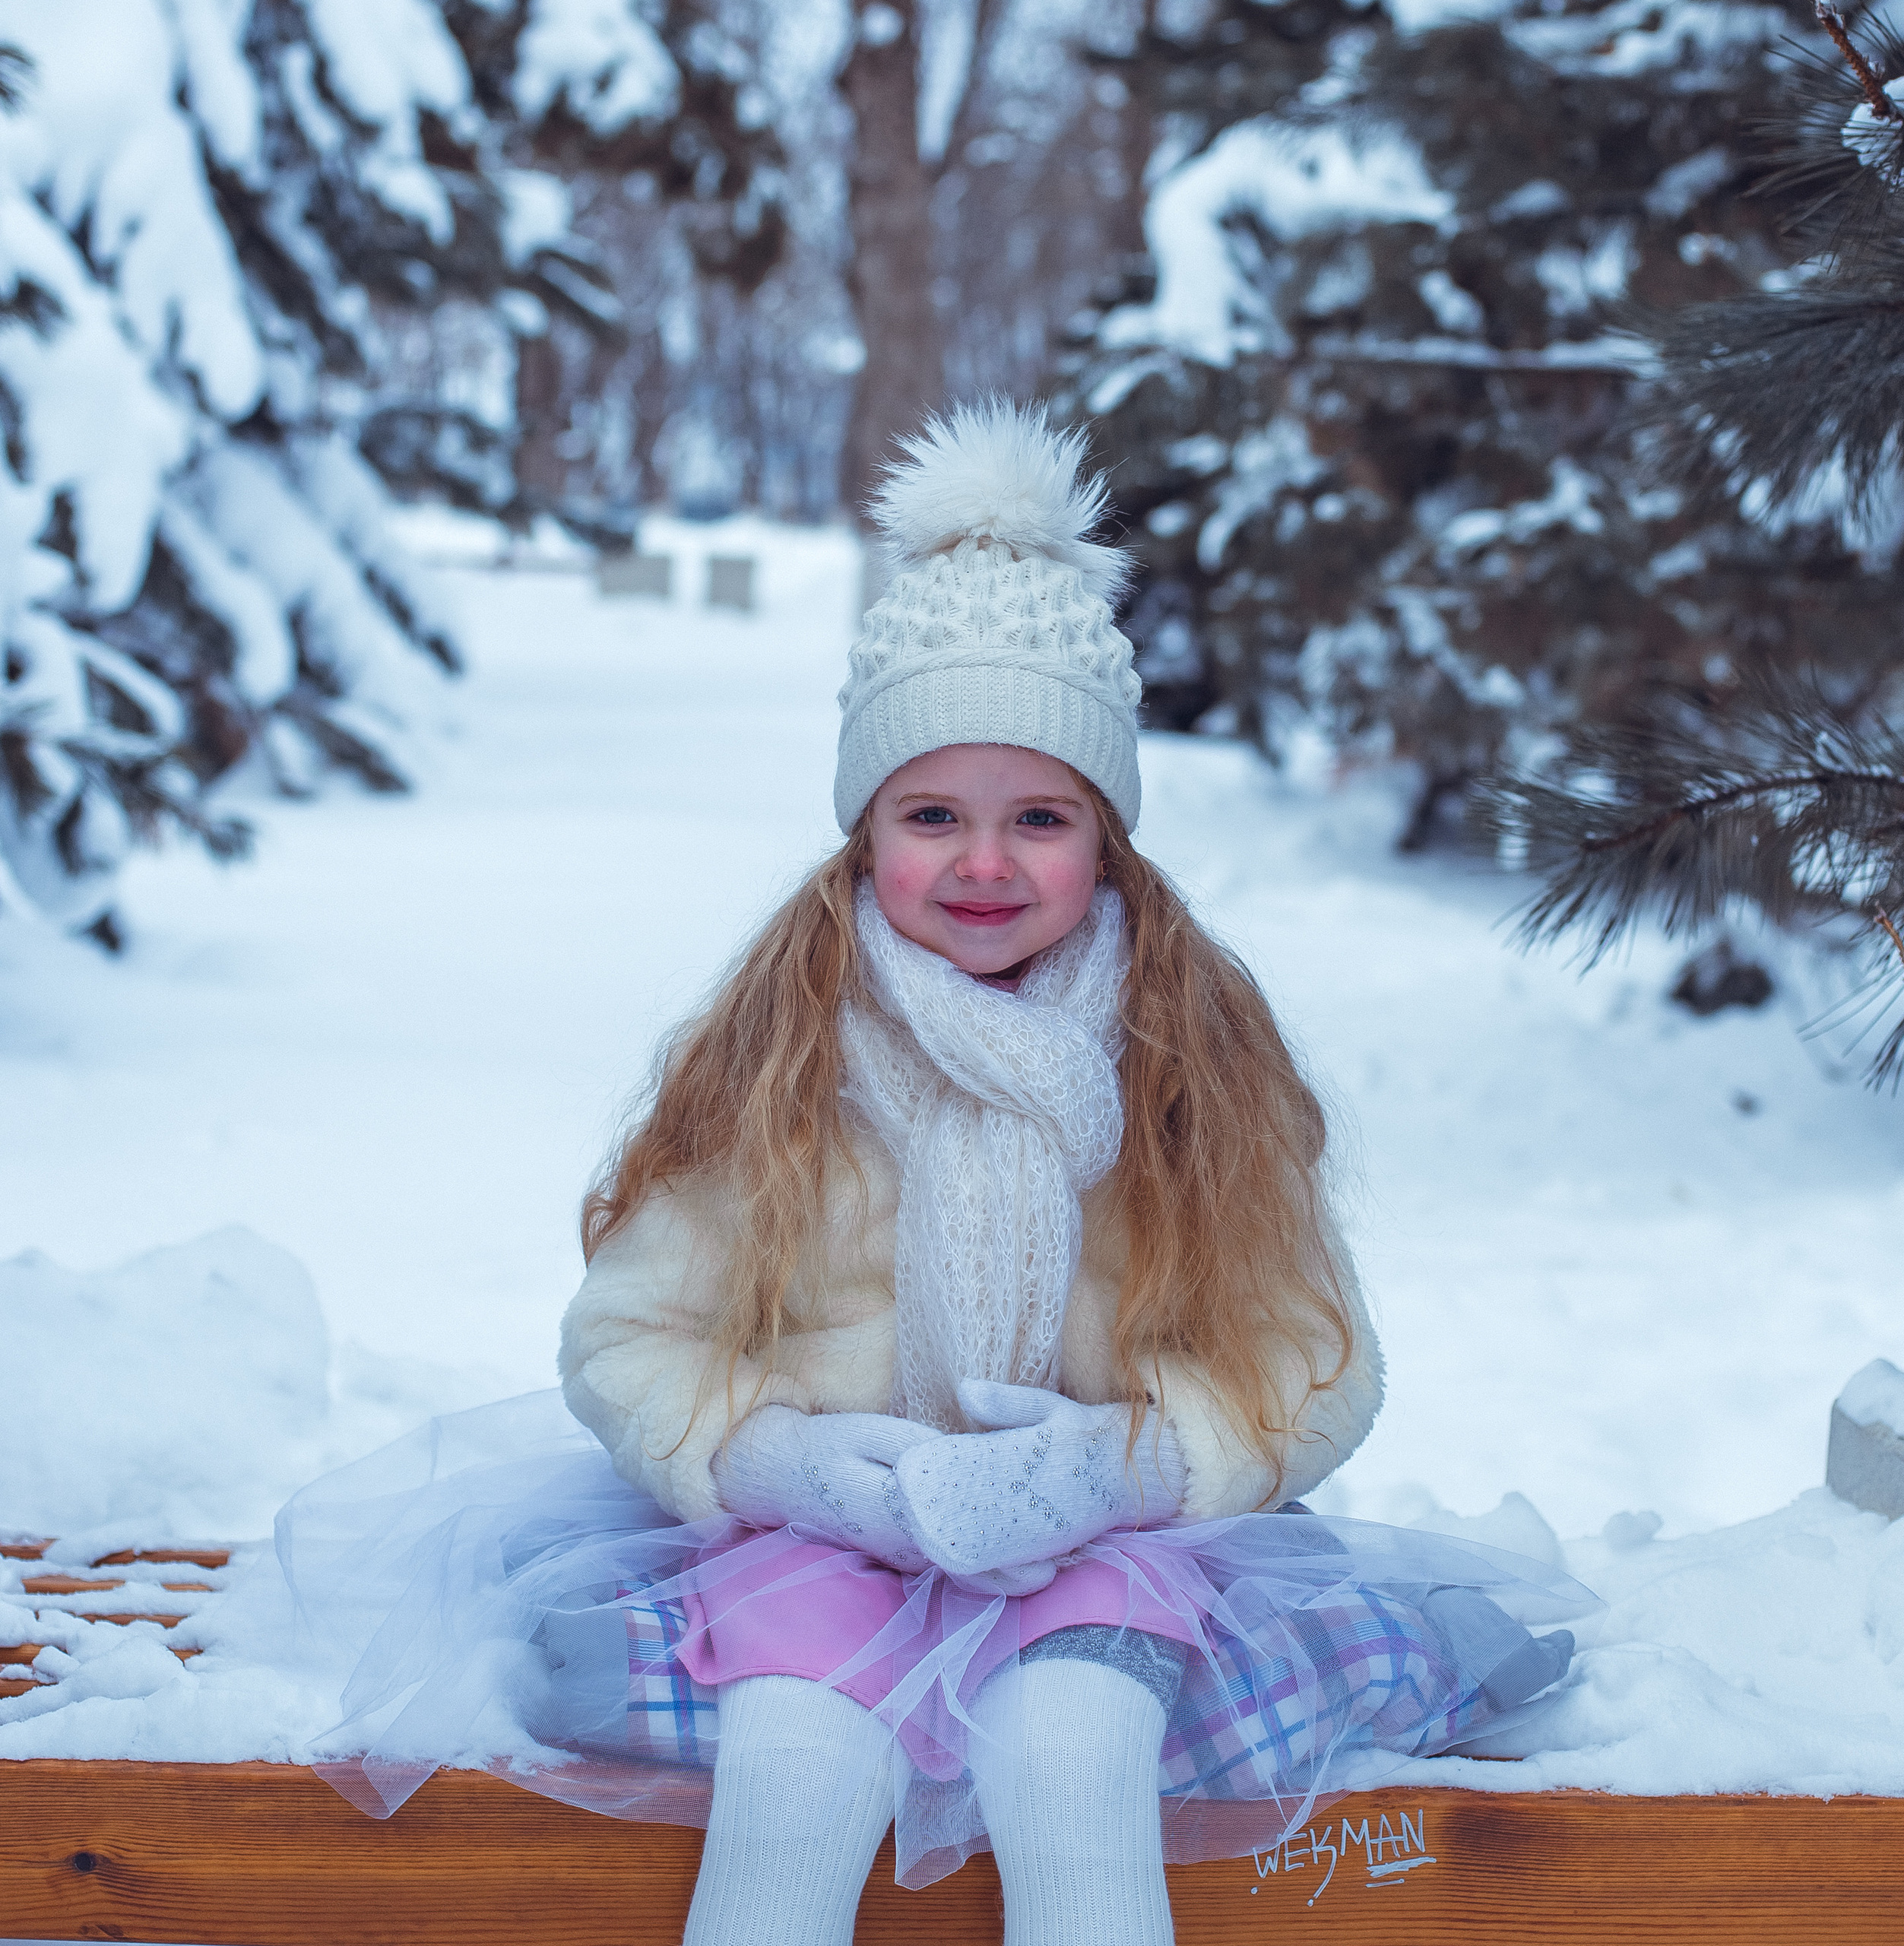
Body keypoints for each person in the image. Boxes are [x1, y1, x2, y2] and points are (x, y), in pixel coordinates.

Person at [279, 399, 1589, 1946]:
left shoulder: (1188, 1068)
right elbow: (627, 1340)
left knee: (1070, 1763)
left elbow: (1314, 1360)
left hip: (1102, 1550)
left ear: (1107, 841)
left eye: (1039, 816)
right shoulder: (783, 1060)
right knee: (793, 1775)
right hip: (825, 1542)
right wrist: (784, 1465)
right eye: (931, 815)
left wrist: (1122, 1465)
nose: (983, 862)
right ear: (861, 833)